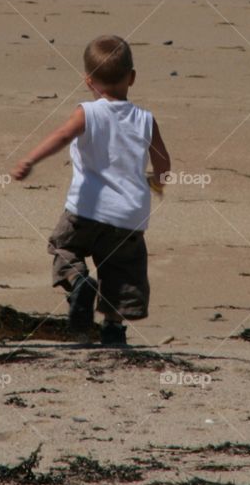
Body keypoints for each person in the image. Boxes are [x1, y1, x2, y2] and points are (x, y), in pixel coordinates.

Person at [11, 35, 170, 346]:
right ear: (132, 77)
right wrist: (159, 180)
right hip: (128, 217)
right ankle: (113, 329)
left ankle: (78, 280)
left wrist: (30, 159)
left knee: (63, 247)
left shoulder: (87, 112)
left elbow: (60, 136)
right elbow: (162, 159)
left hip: (85, 210)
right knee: (121, 272)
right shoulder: (146, 120)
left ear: (88, 82)